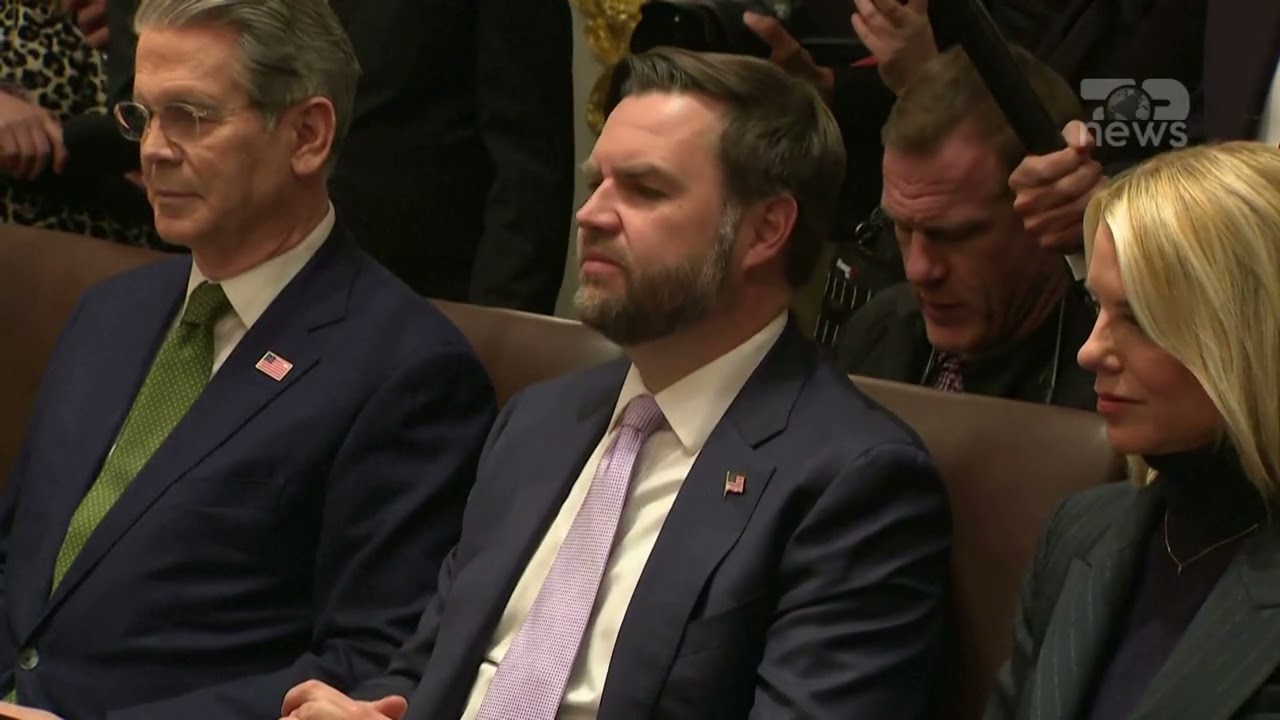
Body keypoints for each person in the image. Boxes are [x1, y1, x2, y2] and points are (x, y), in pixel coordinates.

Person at [281, 47, 952, 720]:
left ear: (765, 229)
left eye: (644, 190)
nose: (591, 214)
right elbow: (426, 671)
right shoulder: (538, 420)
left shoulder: (852, 481)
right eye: (596, 182)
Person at [0, 0, 497, 718]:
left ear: (307, 135)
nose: (153, 150)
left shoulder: (408, 373)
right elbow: (16, 558)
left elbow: (368, 664)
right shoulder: (108, 312)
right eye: (143, 117)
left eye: (190, 117)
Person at [986, 141, 1280, 719]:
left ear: (1250, 335)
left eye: (1138, 319)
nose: (1090, 351)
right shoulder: (1081, 530)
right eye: (1096, 307)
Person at [79, 0, 576, 315]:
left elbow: (530, 167)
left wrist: (491, 333)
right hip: (212, 284)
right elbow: (144, 102)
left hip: (413, 294)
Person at [837, 45, 1096, 411]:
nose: (918, 270)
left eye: (954, 235)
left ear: (1050, 209)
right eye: (903, 227)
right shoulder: (877, 332)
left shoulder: (1115, 380)